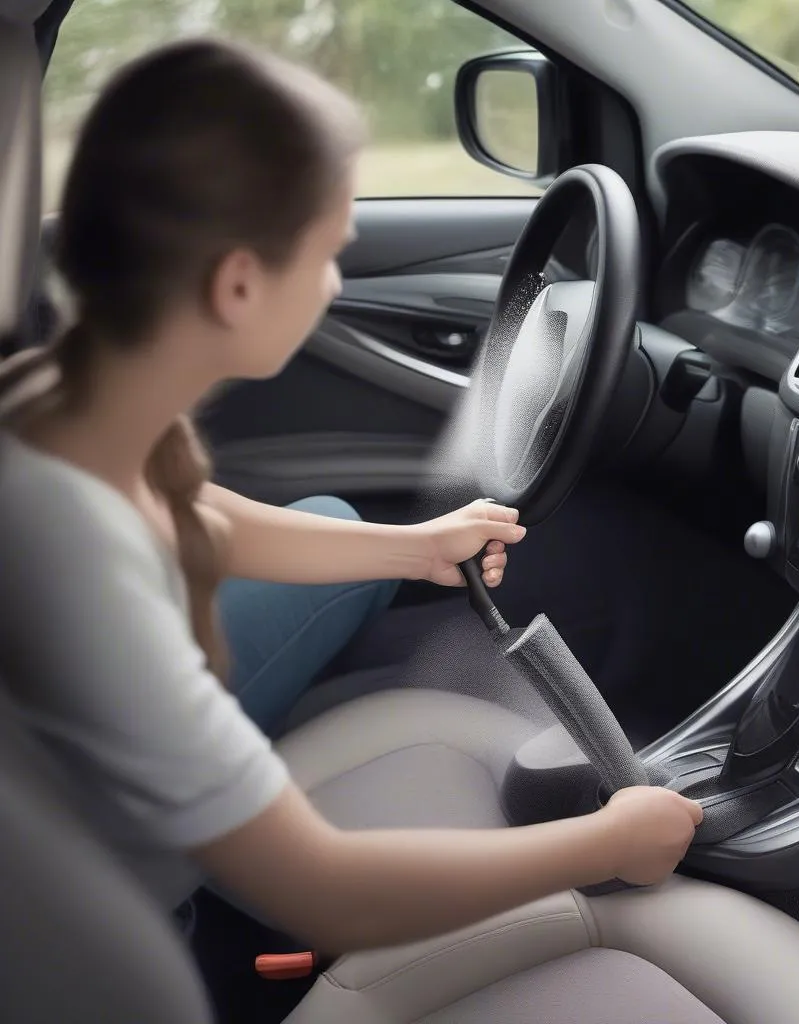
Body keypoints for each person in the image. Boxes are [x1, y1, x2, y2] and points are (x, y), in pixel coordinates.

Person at [0, 38, 703, 958]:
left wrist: (414, 546)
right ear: (240, 282)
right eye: (330, 254)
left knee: (335, 519)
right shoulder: (90, 584)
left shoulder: (42, 391)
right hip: (80, 943)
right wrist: (610, 842)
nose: (335, 280)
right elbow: (334, 898)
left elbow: (189, 514)